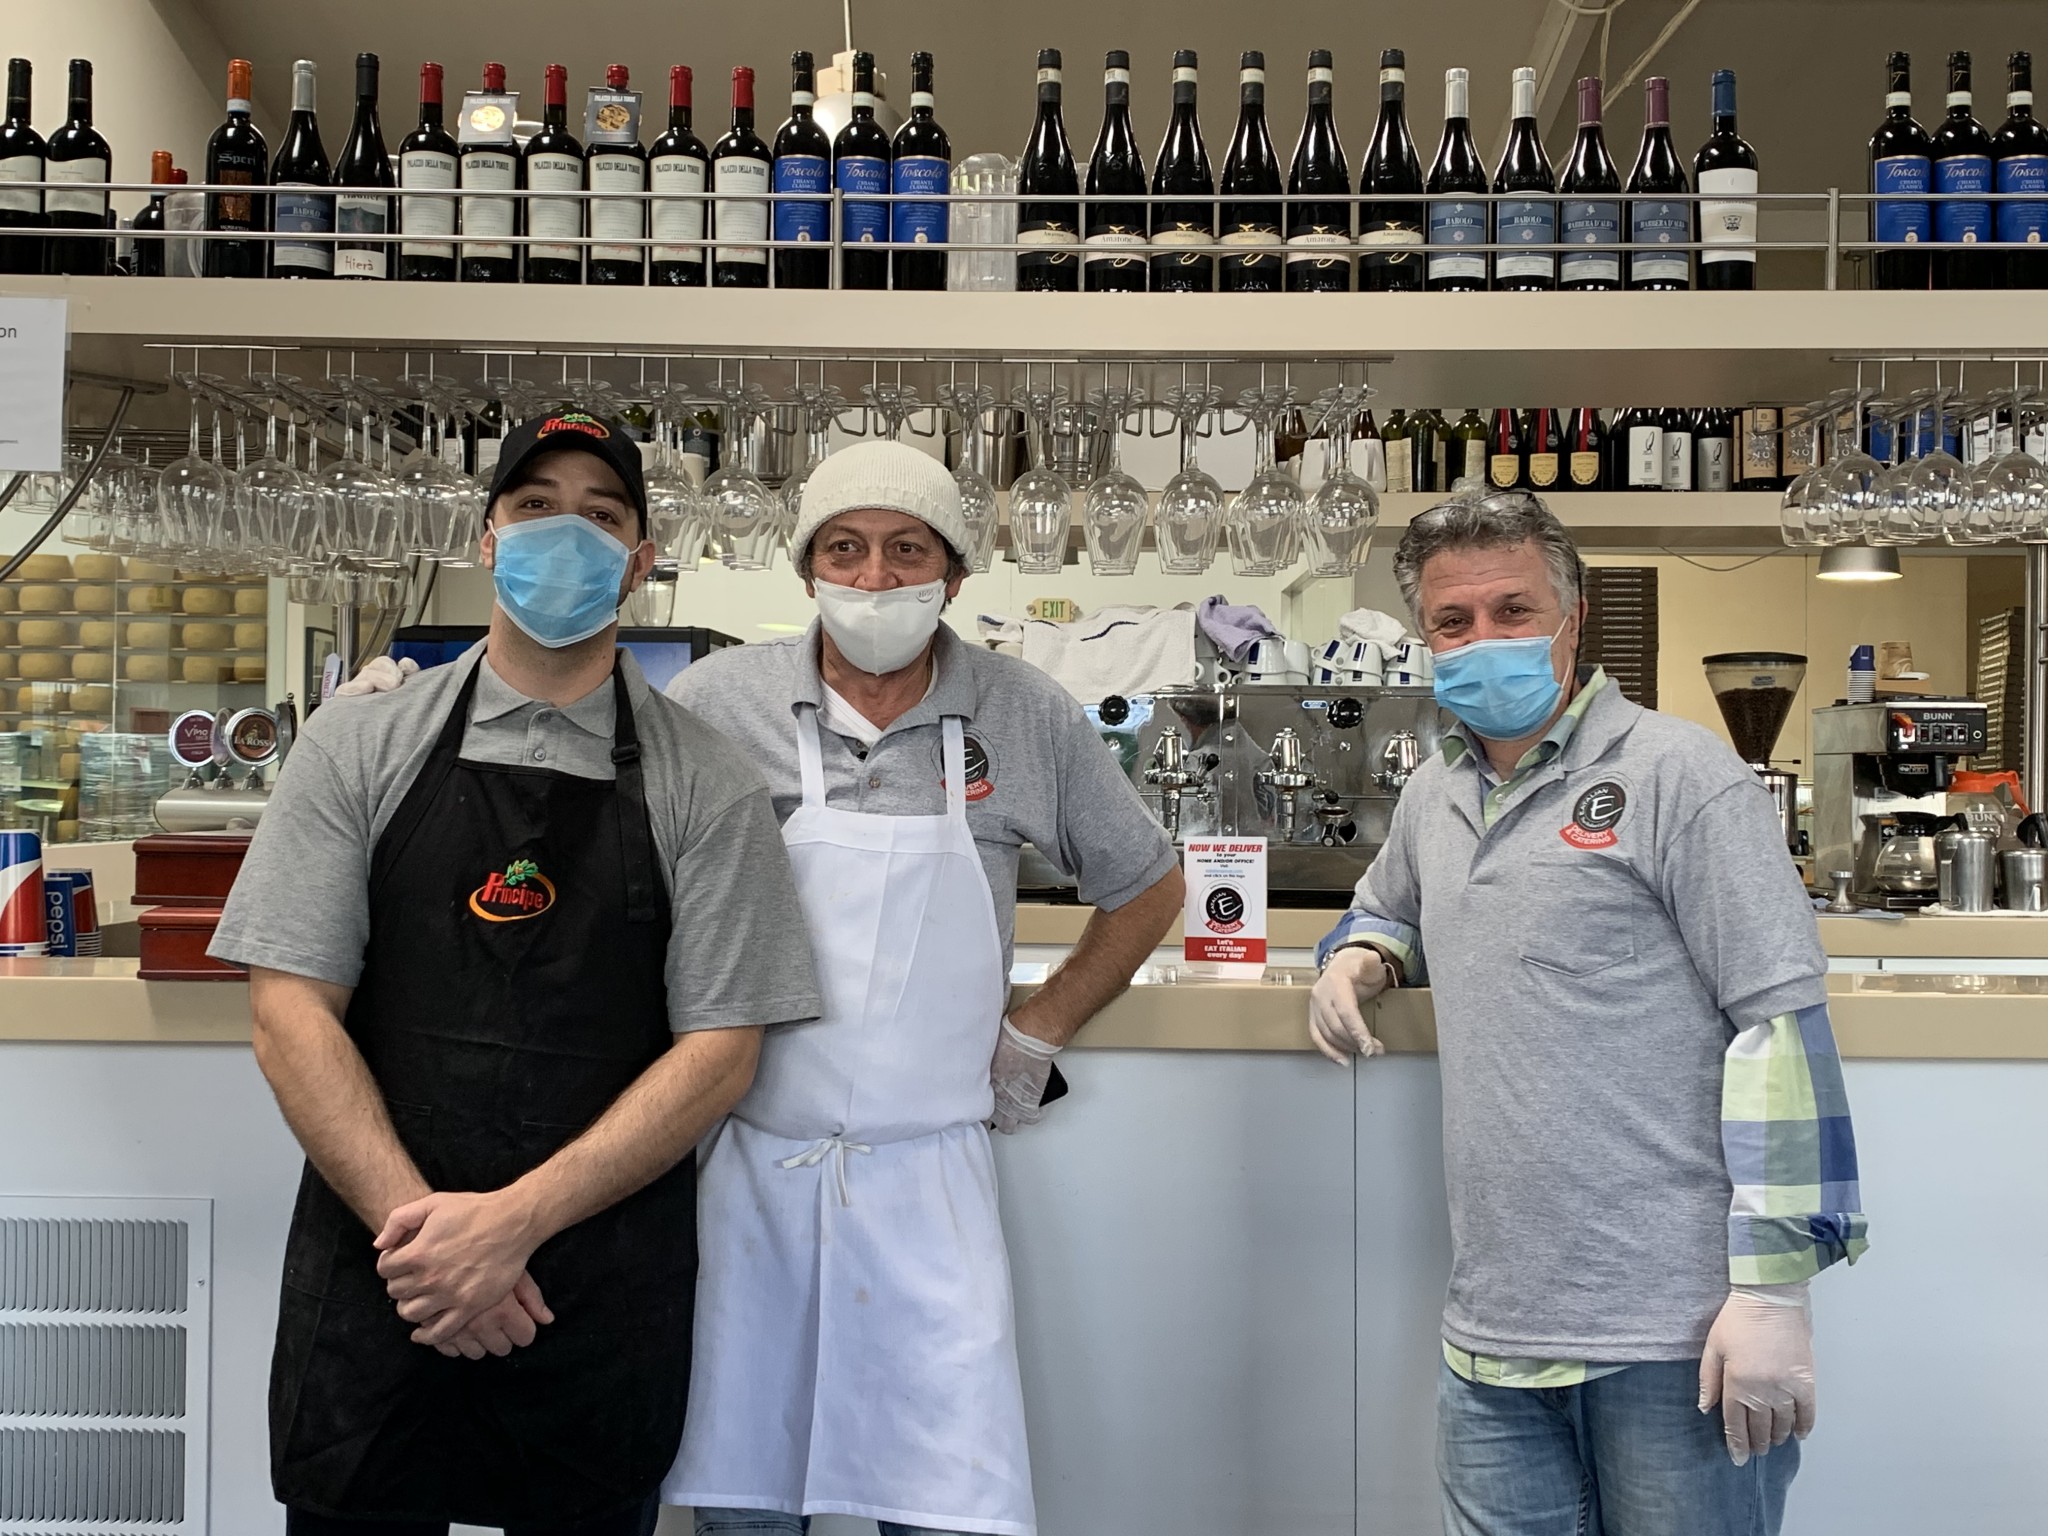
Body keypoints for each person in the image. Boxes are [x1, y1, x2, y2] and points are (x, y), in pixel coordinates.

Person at [346, 436, 1183, 1535]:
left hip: (929, 1183)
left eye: (906, 550)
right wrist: (407, 718)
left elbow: (1148, 885)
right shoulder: (715, 700)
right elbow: (573, 809)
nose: (873, 577)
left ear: (954, 575)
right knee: (746, 1507)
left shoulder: (1023, 711)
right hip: (741, 1171)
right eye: (844, 549)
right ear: (806, 570)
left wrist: (1037, 1031)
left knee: (945, 1504)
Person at [212, 409, 823, 1536]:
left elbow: (721, 1051)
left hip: (590, 1284)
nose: (566, 534)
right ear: (486, 539)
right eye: (536, 507)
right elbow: (288, 1010)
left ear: (640, 563)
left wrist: (511, 1228)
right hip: (387, 1268)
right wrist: (429, 1240)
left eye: (601, 515)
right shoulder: (358, 745)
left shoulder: (709, 783)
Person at [1308, 491, 1868, 1536]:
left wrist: (1773, 1294)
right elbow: (1389, 904)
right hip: (1490, 1333)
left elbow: (1781, 1031)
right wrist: (1361, 958)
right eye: (1452, 622)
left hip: (1674, 1336)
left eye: (1511, 611)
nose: (1483, 640)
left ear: (1570, 621)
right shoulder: (1435, 793)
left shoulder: (1679, 775)